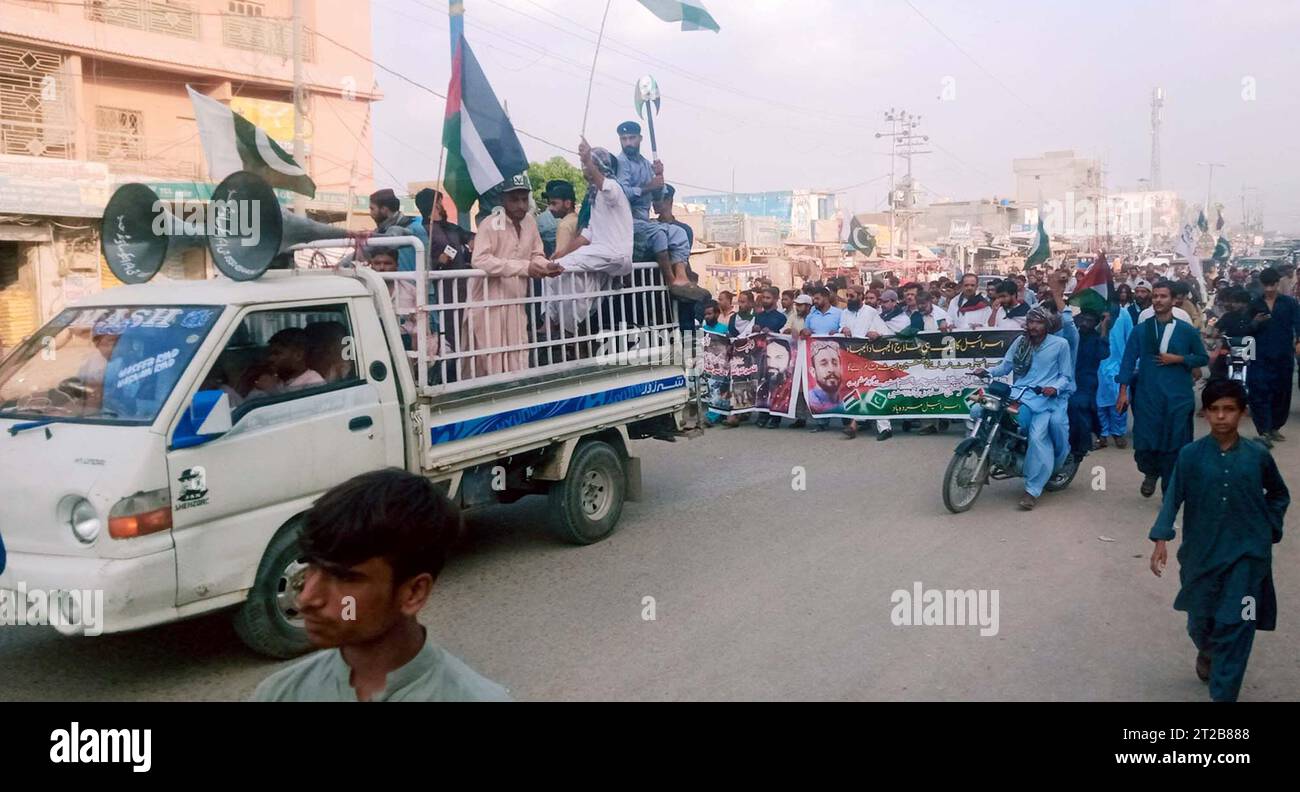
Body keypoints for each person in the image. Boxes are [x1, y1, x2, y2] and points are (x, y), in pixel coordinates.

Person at [252, 469, 511, 702]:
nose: (306, 598)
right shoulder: (280, 694)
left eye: (343, 578)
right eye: (312, 567)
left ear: (413, 593)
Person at [1148, 378, 1288, 702]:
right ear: (1205, 414)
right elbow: (1173, 498)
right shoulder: (1190, 455)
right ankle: (1208, 651)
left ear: (1242, 413)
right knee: (1201, 621)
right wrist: (1160, 539)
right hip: (1201, 553)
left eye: (1229, 410)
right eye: (1214, 410)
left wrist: (1269, 527)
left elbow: (1278, 494)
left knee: (1237, 623)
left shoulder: (1257, 455)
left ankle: (1223, 694)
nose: (1222, 417)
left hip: (1248, 553)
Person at [972, 304, 1075, 510]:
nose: (1033, 326)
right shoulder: (1020, 341)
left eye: (1038, 322)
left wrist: (1053, 388)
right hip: (1019, 393)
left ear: (1047, 325)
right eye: (1030, 321)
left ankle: (1033, 490)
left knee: (1037, 438)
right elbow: (1005, 366)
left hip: (1045, 400)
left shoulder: (1060, 344)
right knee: (978, 410)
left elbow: (1066, 376)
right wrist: (987, 372)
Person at [1117, 280, 1210, 497]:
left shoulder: (1186, 330)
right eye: (1155, 296)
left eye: (1163, 296)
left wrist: (1177, 358)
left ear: (1173, 299)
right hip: (1148, 396)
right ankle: (1150, 472)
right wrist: (1122, 392)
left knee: (1175, 442)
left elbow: (1201, 357)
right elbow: (1128, 361)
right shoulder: (1141, 330)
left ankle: (1170, 488)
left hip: (1179, 396)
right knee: (1144, 443)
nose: (1158, 300)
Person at [464, 172, 560, 377]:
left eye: (524, 199)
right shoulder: (489, 223)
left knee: (518, 352)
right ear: (502, 200)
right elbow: (480, 259)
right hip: (488, 303)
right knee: (490, 358)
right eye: (514, 199)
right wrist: (523, 268)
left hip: (516, 301)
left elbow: (536, 254)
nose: (520, 205)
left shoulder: (530, 223)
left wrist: (547, 267)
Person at [548, 141, 634, 338]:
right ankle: (559, 323)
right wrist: (560, 253)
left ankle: (568, 329)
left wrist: (588, 159)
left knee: (559, 269)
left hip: (614, 253)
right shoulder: (593, 196)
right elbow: (587, 235)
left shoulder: (612, 186)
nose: (584, 168)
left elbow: (606, 188)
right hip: (601, 253)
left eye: (587, 165)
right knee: (553, 266)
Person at [614, 120, 705, 303]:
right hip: (627, 221)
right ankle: (671, 282)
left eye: (631, 138)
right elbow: (622, 194)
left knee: (679, 233)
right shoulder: (620, 163)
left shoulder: (647, 164)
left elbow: (658, 196)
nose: (628, 143)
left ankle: (681, 277)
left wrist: (659, 176)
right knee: (660, 233)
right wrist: (648, 187)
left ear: (639, 139)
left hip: (644, 221)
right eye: (624, 139)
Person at [1239, 267, 1300, 445]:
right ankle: (1264, 429)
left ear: (1278, 283)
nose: (1269, 289)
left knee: (1281, 392)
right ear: (1262, 285)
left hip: (1283, 356)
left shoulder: (1289, 303)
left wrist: (1298, 342)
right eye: (1266, 285)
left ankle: (1275, 427)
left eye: (1272, 284)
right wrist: (1255, 323)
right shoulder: (1255, 304)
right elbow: (1244, 329)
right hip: (1260, 356)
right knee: (1259, 391)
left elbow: (1298, 323)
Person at [1068, 311, 1108, 459]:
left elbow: (1104, 354)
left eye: (1089, 320)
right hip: (1069, 378)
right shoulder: (1073, 335)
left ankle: (1082, 446)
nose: (1085, 323)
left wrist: (1104, 330)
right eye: (1083, 319)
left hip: (1087, 381)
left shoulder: (1097, 339)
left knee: (1079, 407)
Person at [1096, 299, 1134, 449]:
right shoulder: (1095, 313)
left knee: (1119, 399)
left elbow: (1130, 337)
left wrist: (1132, 362)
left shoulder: (1123, 314)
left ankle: (1118, 433)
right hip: (1098, 364)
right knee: (1098, 401)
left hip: (1118, 363)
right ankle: (1102, 433)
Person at [367, 189, 427, 274]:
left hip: (416, 285)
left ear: (384, 209)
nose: (370, 213)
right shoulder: (381, 231)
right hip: (391, 285)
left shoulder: (414, 228)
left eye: (372, 209)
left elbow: (387, 242)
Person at [540, 180, 579, 259]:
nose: (550, 208)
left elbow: (560, 255)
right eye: (549, 204)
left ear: (567, 203)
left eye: (554, 203)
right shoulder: (578, 220)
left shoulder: (564, 225)